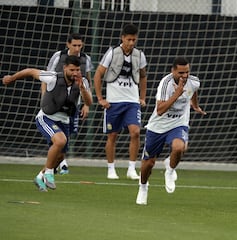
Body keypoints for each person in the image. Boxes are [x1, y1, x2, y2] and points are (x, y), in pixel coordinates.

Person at [2, 55, 93, 192]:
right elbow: (31, 71)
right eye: (72, 70)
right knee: (60, 141)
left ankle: (40, 176)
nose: (75, 73)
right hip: (46, 118)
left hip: (64, 120)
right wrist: (12, 78)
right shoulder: (53, 77)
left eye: (77, 70)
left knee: (60, 156)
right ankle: (49, 173)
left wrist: (83, 89)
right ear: (65, 68)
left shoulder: (82, 81)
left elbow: (89, 102)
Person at [136, 57, 206, 205]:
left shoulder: (194, 81)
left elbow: (194, 91)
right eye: (181, 73)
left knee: (179, 147)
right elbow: (160, 110)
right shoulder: (165, 84)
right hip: (158, 127)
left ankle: (170, 169)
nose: (184, 76)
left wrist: (195, 105)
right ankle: (143, 187)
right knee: (148, 164)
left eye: (187, 72)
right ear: (173, 71)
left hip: (178, 123)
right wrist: (177, 93)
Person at [94, 23, 147, 180]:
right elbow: (98, 75)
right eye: (129, 39)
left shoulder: (139, 55)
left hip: (132, 101)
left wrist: (142, 97)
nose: (131, 43)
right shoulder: (112, 53)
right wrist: (100, 98)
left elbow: (143, 76)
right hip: (114, 102)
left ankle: (131, 168)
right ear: (122, 38)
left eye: (134, 40)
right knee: (112, 135)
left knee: (135, 132)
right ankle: (111, 168)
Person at [44, 32, 94, 174]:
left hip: (73, 103)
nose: (77, 48)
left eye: (80, 45)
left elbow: (87, 80)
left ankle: (58, 162)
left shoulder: (86, 59)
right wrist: (45, 96)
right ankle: (58, 164)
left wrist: (86, 104)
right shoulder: (58, 56)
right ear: (68, 44)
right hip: (55, 102)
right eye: (74, 45)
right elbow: (46, 75)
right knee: (56, 134)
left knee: (67, 133)